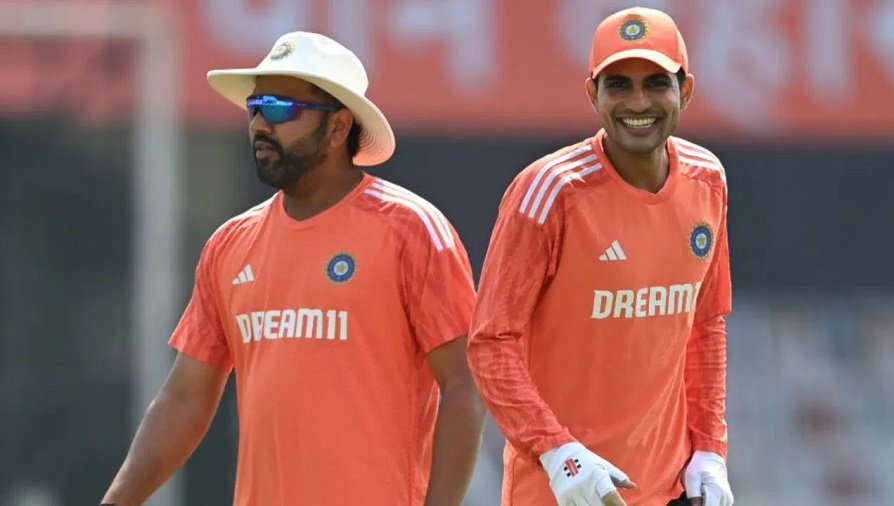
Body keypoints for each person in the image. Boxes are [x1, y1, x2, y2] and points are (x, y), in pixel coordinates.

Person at [101, 31, 485, 506]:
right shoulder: (230, 244)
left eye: (280, 109)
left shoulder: (411, 229)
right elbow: (185, 398)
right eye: (255, 108)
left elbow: (464, 385)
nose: (261, 124)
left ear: (338, 128)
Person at [467, 7, 734, 506]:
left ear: (686, 91)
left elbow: (705, 323)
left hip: (668, 489)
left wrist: (709, 448)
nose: (638, 102)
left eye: (656, 83)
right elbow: (490, 343)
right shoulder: (549, 192)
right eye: (618, 85)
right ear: (593, 94)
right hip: (561, 490)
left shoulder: (708, 179)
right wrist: (557, 452)